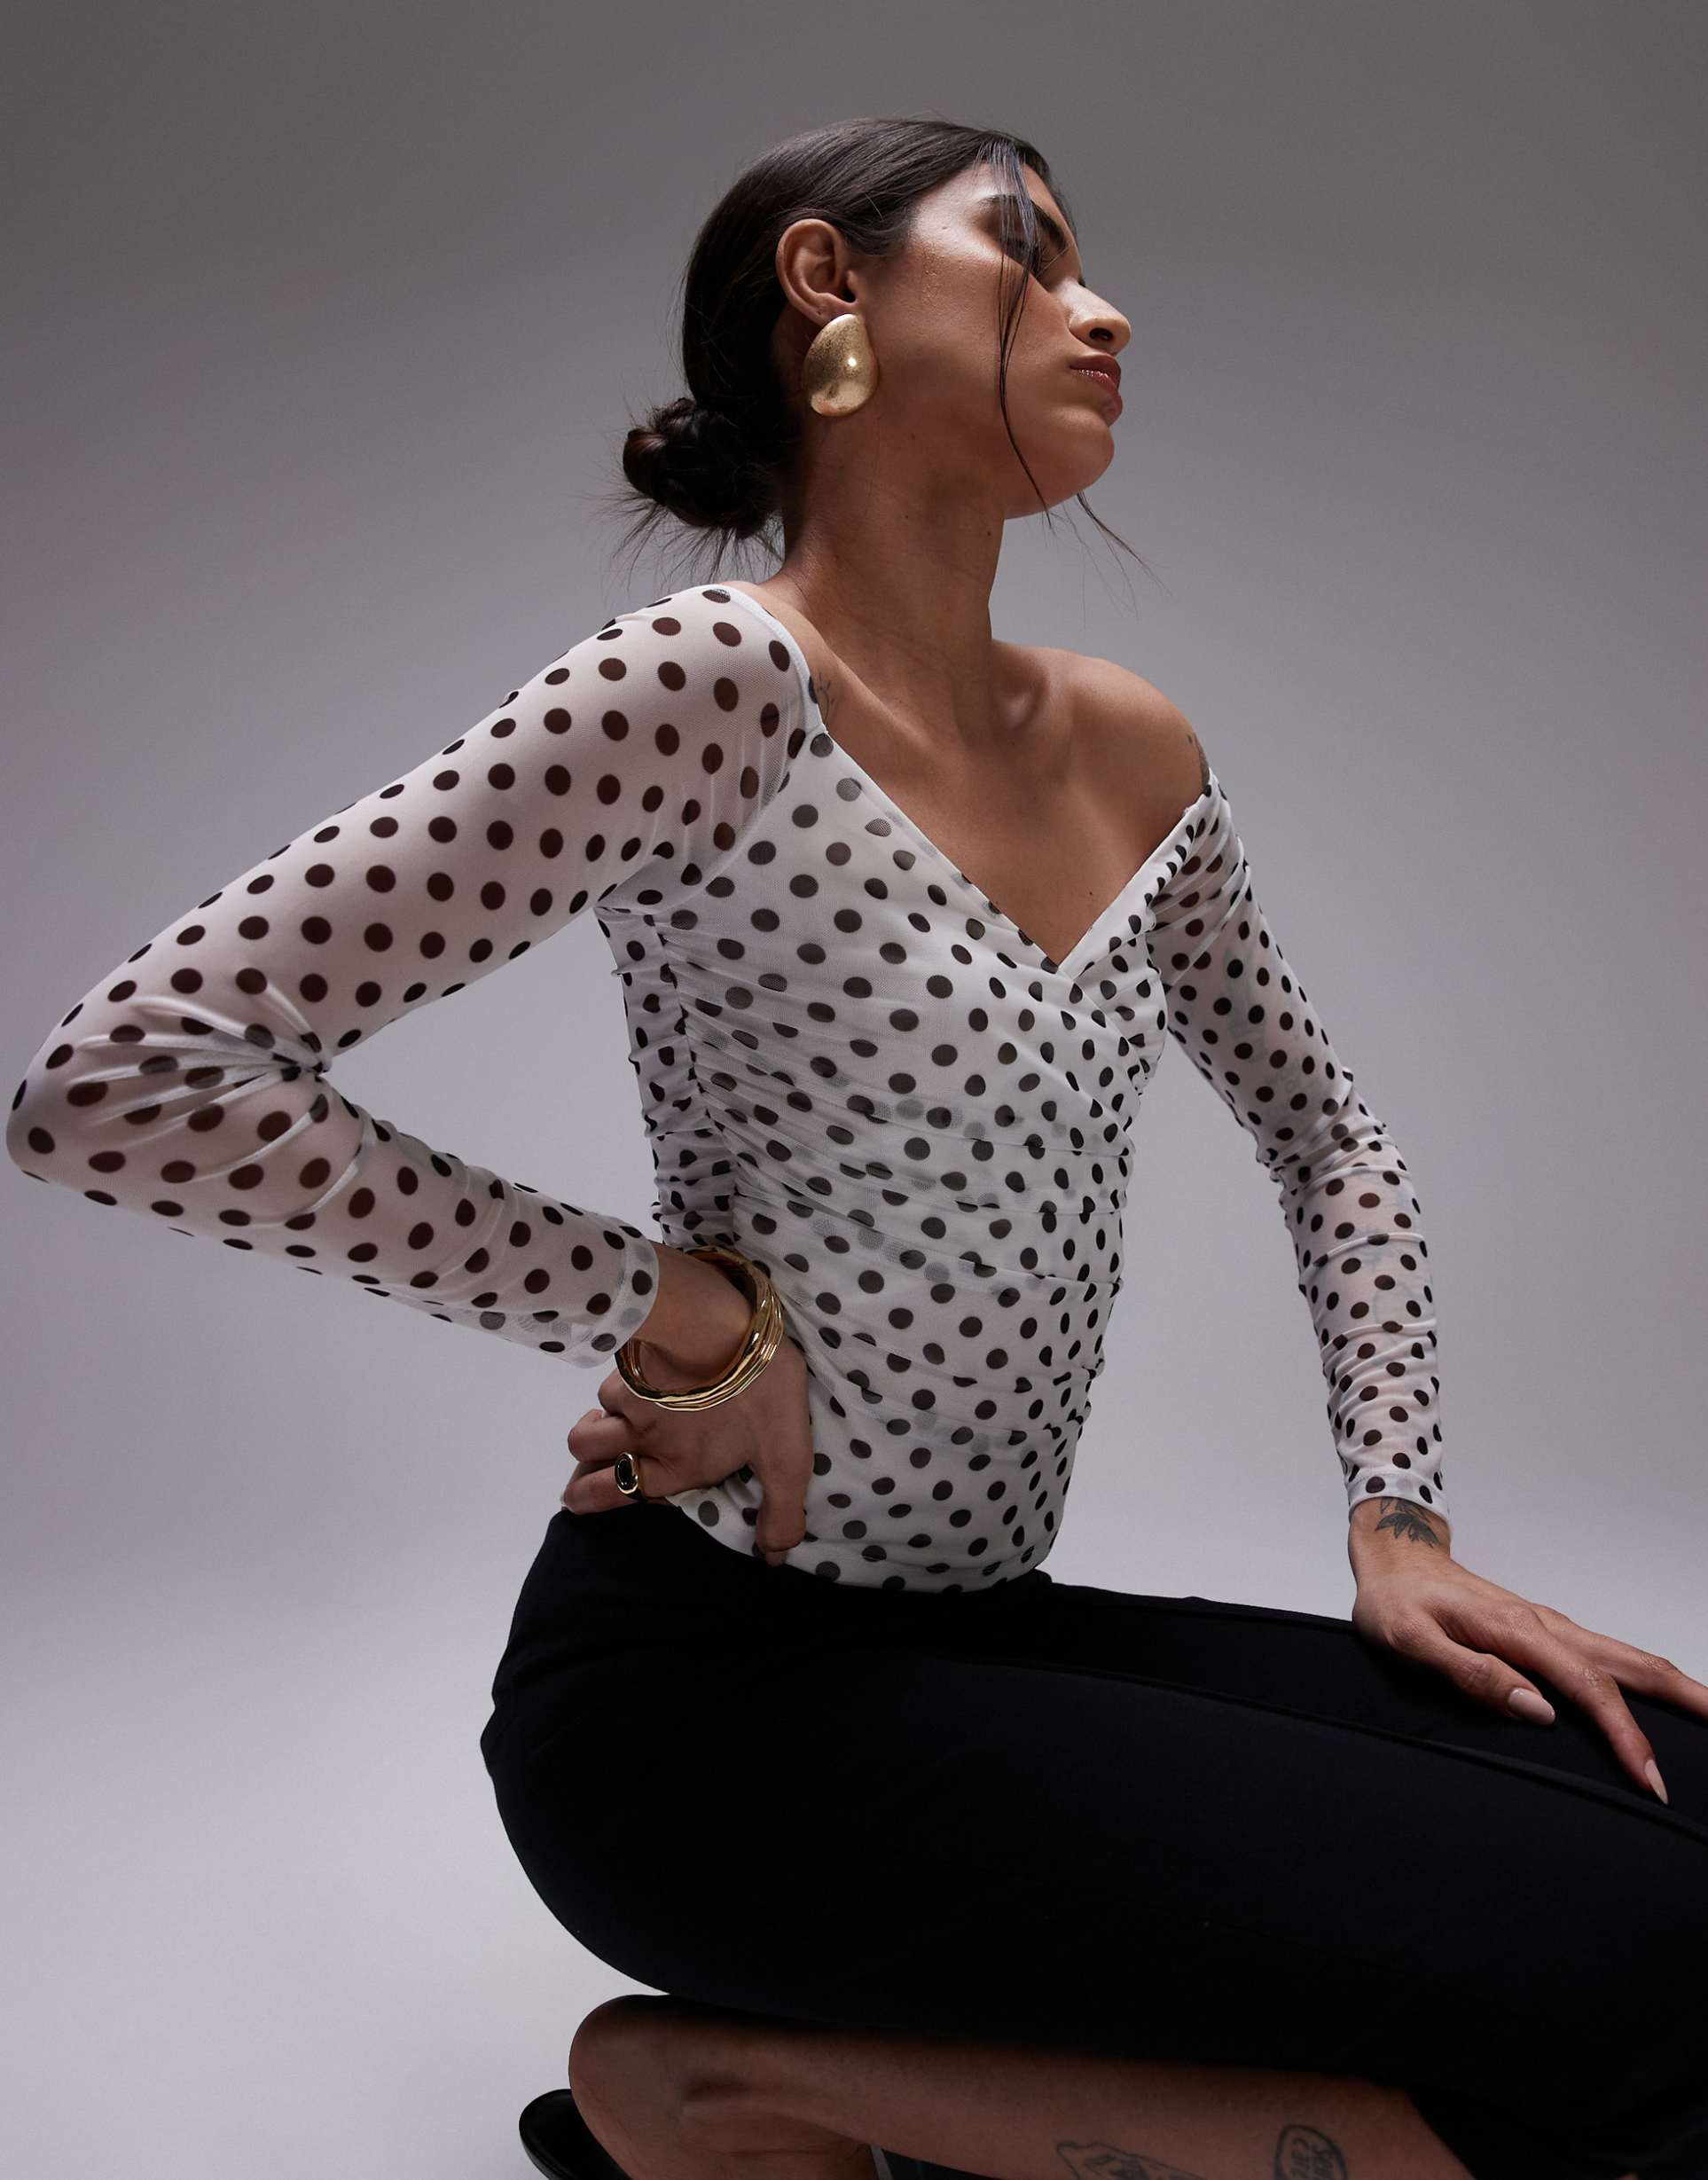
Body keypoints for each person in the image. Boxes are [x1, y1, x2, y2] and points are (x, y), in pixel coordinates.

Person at [8, 114, 1706, 2180]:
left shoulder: (1132, 748)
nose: (1104, 309)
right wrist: (670, 1307)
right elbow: (128, 1075)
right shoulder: (710, 685)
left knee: (1684, 1796)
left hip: (979, 1640)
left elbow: (1327, 1135)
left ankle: (817, 2111)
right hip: (700, 1714)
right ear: (832, 286)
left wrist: (1402, 1525)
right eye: (1029, 252)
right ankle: (742, 2092)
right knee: (1658, 1968)